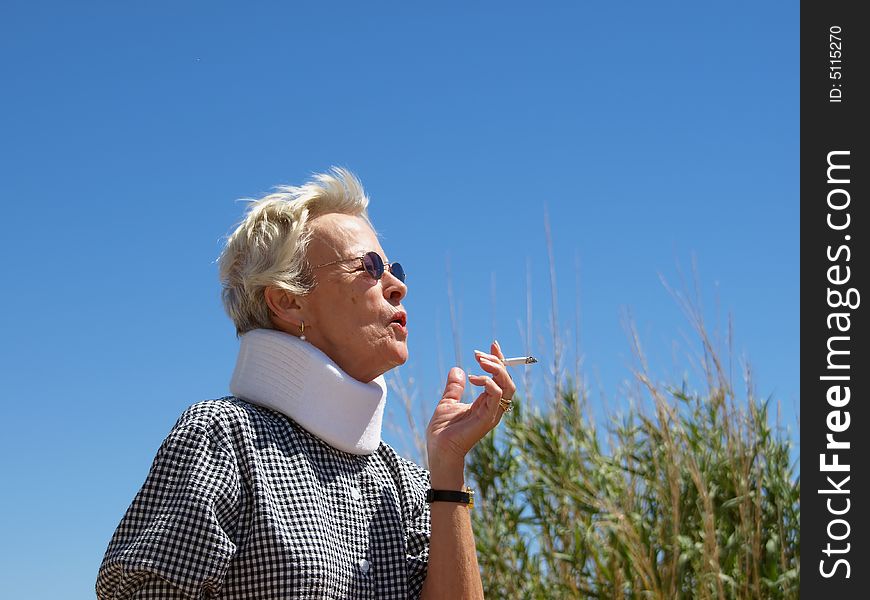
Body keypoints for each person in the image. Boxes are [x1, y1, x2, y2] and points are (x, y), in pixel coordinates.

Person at [96, 168, 516, 599]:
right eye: (369, 267)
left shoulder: (404, 482)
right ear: (288, 301)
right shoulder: (223, 439)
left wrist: (447, 467)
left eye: (394, 268)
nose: (397, 286)